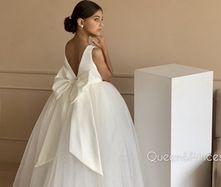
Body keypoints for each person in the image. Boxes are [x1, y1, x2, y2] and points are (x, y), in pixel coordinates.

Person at [13, 0, 145, 186]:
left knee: (66, 142)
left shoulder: (68, 45)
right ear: (81, 22)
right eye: (96, 19)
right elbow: (107, 75)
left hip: (69, 100)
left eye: (102, 19)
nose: (101, 24)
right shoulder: (95, 51)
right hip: (94, 100)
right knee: (95, 144)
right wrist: (105, 48)